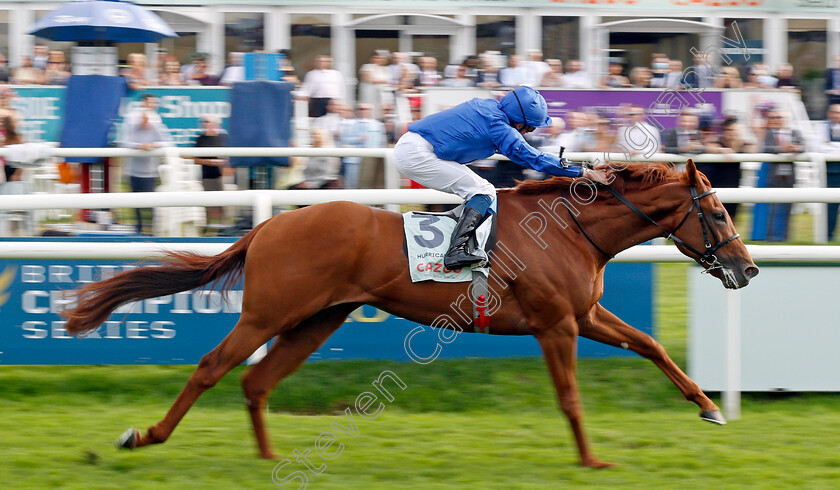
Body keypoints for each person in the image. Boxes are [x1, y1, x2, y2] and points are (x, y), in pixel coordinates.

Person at [393, 86, 608, 269]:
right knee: (483, 190)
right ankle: (455, 251)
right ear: (518, 122)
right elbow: (532, 157)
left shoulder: (491, 108)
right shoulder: (500, 128)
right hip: (417, 153)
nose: (529, 132)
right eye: (530, 127)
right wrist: (582, 172)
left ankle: (464, 243)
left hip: (415, 147)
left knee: (480, 189)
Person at [120, 94, 173, 234]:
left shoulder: (155, 122)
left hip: (150, 171)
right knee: (135, 204)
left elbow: (167, 141)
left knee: (151, 204)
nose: (145, 121)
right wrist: (139, 146)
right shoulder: (131, 122)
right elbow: (124, 142)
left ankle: (153, 231)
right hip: (133, 171)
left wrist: (153, 145)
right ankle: (139, 230)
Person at [190, 115, 228, 231]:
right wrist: (208, 162)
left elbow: (230, 156)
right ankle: (206, 226)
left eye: (209, 122)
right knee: (207, 203)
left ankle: (223, 227)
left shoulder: (222, 138)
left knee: (223, 202)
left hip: (222, 176)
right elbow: (194, 158)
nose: (206, 124)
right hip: (207, 175)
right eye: (205, 122)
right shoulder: (200, 139)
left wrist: (223, 163)